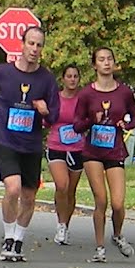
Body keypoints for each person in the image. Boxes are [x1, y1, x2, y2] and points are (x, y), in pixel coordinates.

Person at [0, 25, 58, 263]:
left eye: (39, 45)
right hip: (6, 139)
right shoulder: (3, 73)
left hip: (31, 144)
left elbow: (54, 116)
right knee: (12, 189)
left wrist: (45, 111)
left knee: (29, 197)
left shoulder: (46, 79)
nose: (34, 49)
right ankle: (8, 238)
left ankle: (18, 241)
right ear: (22, 45)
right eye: (31, 43)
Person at [73, 47, 135, 262]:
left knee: (119, 203)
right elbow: (76, 125)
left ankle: (117, 235)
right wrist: (90, 121)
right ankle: (100, 248)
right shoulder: (86, 94)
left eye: (109, 59)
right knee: (101, 199)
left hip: (115, 150)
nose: (106, 63)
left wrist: (126, 123)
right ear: (94, 65)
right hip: (92, 151)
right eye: (101, 60)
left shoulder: (124, 92)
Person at [47, 63, 85, 245]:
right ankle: (61, 225)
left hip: (77, 148)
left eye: (75, 76)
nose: (72, 79)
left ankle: (66, 225)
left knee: (71, 190)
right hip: (56, 145)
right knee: (62, 185)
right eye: (69, 76)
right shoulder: (55, 98)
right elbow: (47, 119)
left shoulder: (83, 99)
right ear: (63, 79)